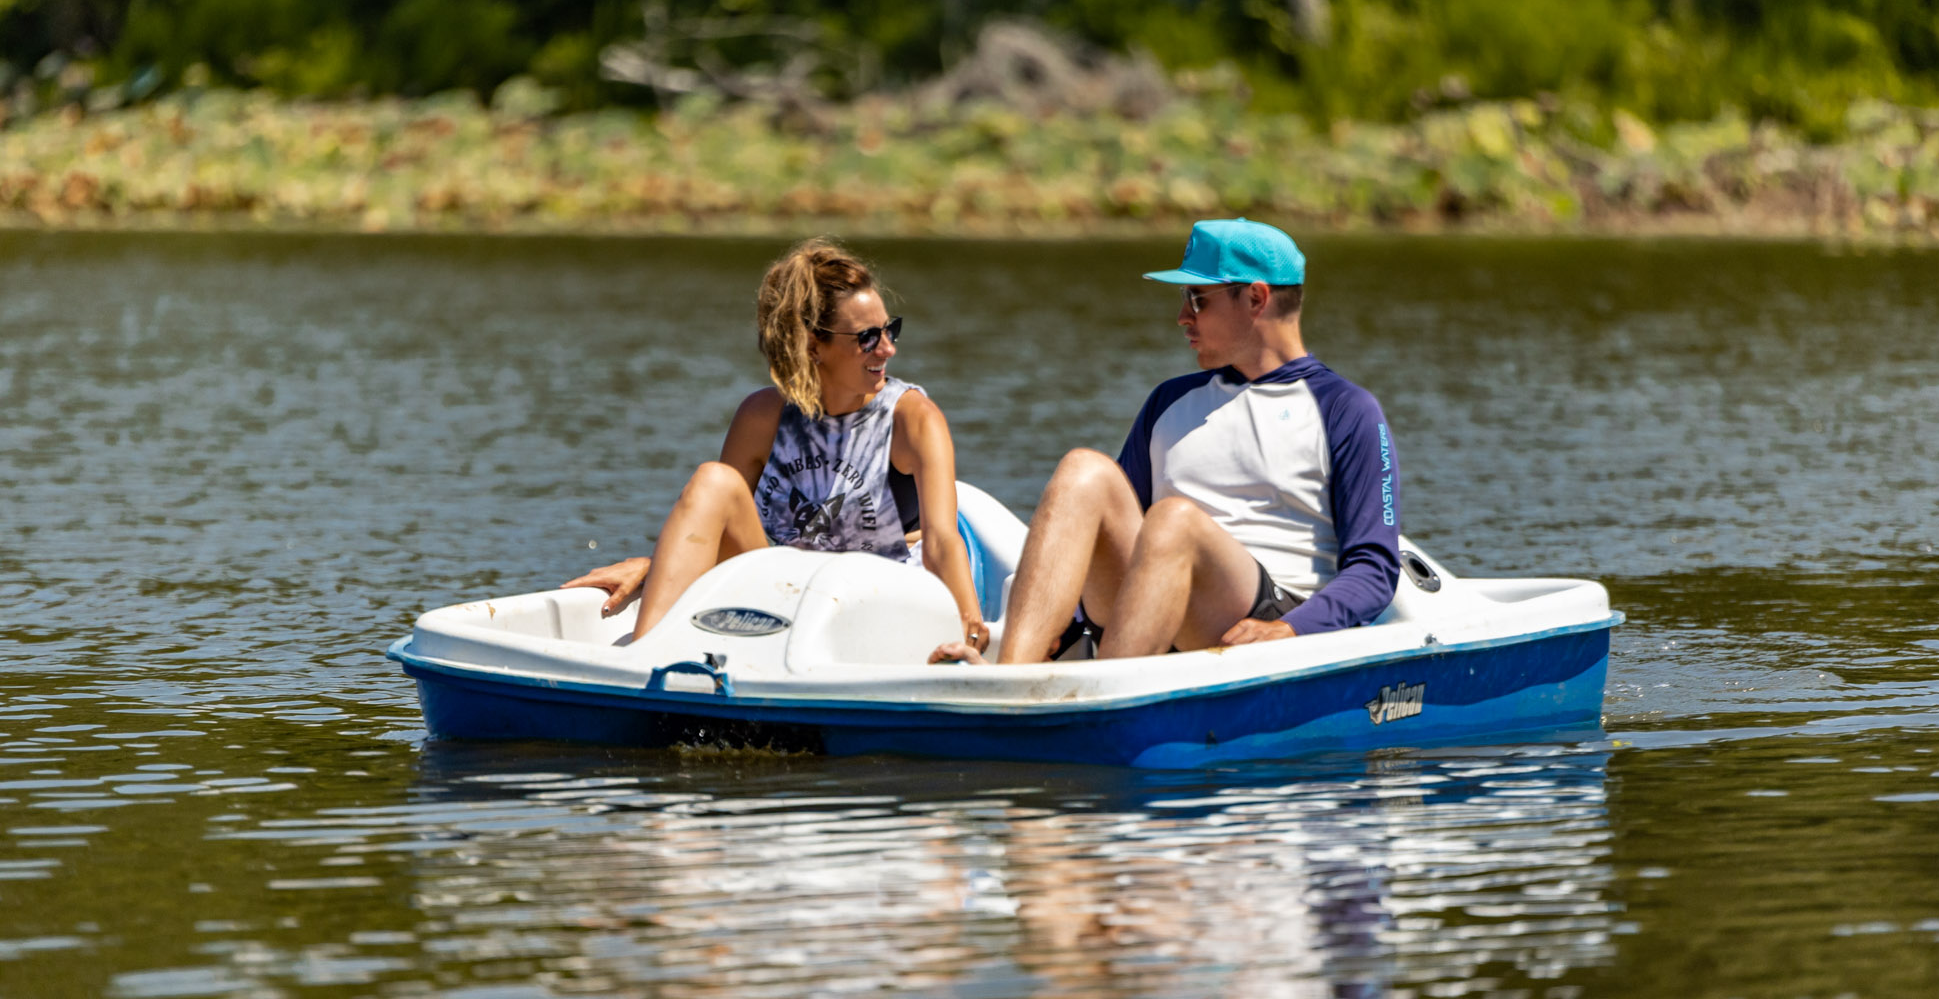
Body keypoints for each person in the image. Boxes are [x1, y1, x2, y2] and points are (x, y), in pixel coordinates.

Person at [933, 218, 1400, 665]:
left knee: (1174, 521)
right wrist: (1069, 621)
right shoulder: (1168, 401)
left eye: (1198, 300)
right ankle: (1011, 678)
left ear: (1256, 298)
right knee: (1084, 469)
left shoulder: (1345, 410)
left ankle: (1106, 695)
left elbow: (1374, 570)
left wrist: (1293, 629)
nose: (1181, 318)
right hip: (1149, 614)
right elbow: (1103, 538)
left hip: (1267, 621)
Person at [567, 238, 989, 652]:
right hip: (790, 595)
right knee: (713, 480)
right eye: (867, 338)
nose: (888, 348)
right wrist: (656, 567)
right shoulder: (761, 416)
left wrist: (970, 627)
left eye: (889, 330)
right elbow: (717, 529)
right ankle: (643, 660)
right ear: (812, 344)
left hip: (882, 601)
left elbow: (941, 541)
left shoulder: (913, 419)